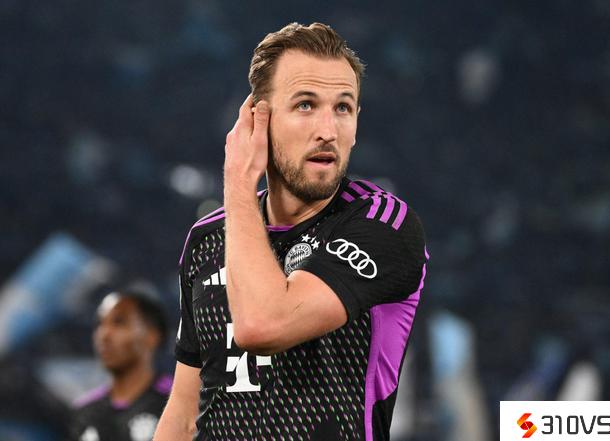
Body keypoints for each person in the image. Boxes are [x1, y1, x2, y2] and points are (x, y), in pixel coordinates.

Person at [154, 22, 428, 441]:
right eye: (305, 105)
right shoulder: (207, 238)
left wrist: (238, 180)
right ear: (257, 121)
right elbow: (184, 412)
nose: (328, 131)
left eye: (343, 108)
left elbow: (262, 325)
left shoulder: (382, 223)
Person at [70, 290, 172, 441]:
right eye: (99, 324)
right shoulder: (84, 413)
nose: (104, 335)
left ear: (151, 336)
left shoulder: (176, 403)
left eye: (119, 323)